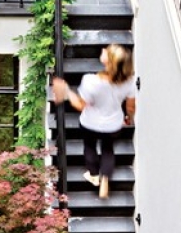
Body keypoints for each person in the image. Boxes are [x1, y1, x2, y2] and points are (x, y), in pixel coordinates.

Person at [52, 45, 136, 199]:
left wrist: (67, 91)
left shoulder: (91, 81)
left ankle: (94, 175)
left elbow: (80, 105)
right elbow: (130, 106)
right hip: (113, 124)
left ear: (108, 62)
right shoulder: (129, 81)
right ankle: (105, 177)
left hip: (90, 123)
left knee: (89, 147)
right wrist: (129, 118)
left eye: (107, 51)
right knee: (108, 149)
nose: (103, 49)